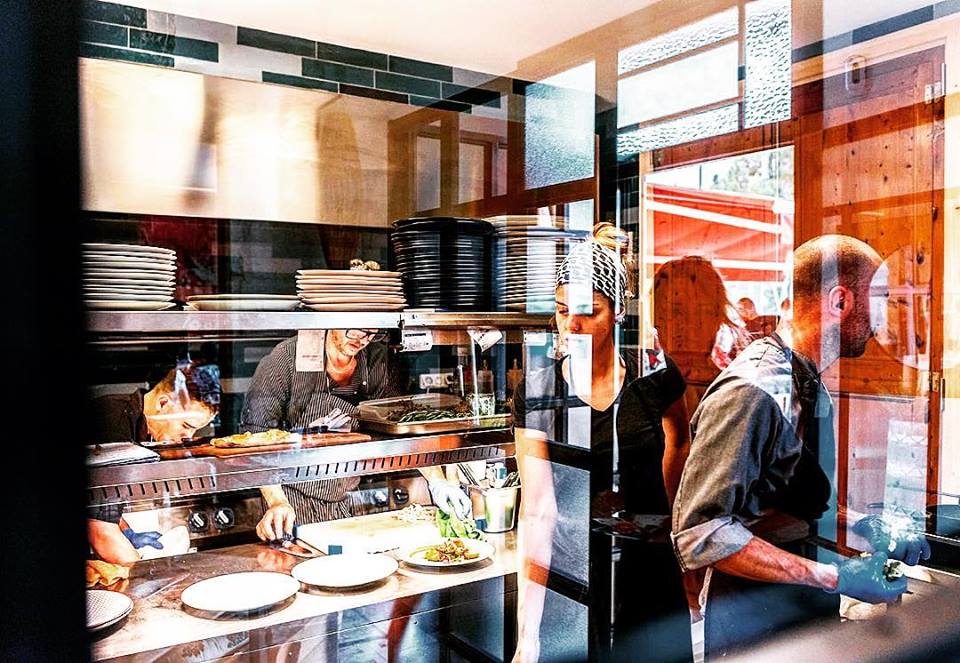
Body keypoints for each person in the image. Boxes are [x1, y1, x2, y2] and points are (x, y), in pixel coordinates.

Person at [671, 235, 930, 659]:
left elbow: (778, 499)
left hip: (800, 619)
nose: (885, 319)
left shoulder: (806, 382)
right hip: (752, 631)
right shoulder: (753, 390)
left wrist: (862, 524)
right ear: (840, 301)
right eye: (880, 299)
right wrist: (836, 577)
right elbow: (702, 533)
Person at [512, 224, 692, 662]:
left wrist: (673, 529)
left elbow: (680, 443)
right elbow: (537, 510)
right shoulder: (538, 391)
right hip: (576, 574)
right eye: (561, 311)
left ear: (617, 313)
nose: (571, 326)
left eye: (588, 312)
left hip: (648, 571)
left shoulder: (653, 374)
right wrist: (527, 634)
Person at [242, 329, 471, 540]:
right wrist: (276, 501)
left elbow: (399, 424)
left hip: (349, 495)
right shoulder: (286, 358)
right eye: (355, 330)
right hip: (292, 500)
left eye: (371, 333)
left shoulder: (376, 360)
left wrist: (437, 482)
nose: (362, 340)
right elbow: (256, 436)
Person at [88, 363, 221, 564]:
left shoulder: (145, 428)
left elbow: (104, 505)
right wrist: (145, 575)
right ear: (163, 403)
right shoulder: (113, 420)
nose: (188, 436)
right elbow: (101, 531)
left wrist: (128, 532)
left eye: (195, 429)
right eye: (186, 425)